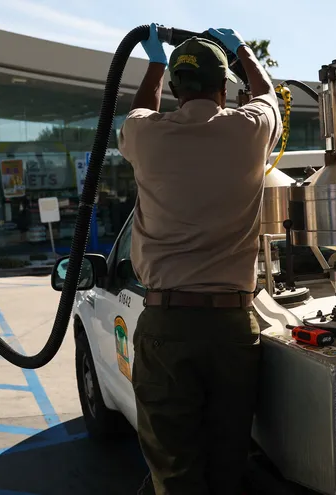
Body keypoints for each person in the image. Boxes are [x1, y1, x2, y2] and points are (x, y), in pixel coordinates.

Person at [118, 24, 282, 495]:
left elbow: (138, 110)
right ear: (224, 89)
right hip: (232, 329)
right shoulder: (248, 130)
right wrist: (243, 50)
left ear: (174, 89)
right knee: (228, 463)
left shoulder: (147, 136)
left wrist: (152, 63)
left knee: (174, 469)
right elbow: (267, 92)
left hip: (166, 325)